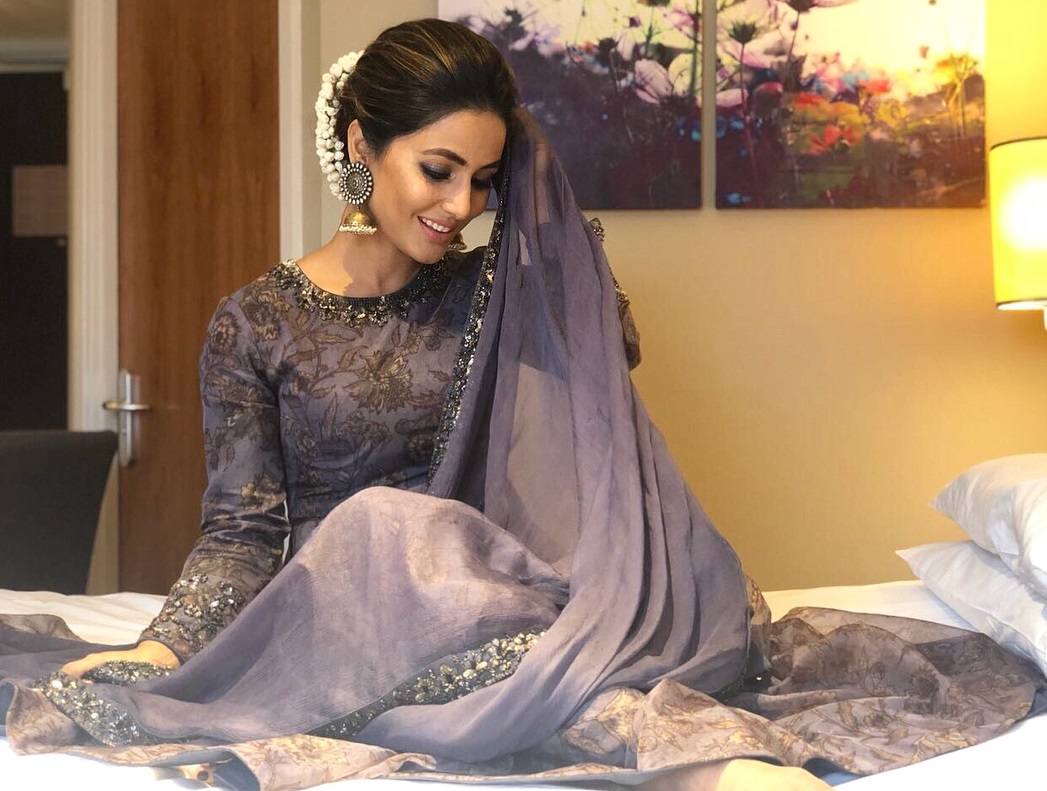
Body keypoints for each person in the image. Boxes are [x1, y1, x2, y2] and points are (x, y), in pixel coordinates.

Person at [0, 18, 1041, 791]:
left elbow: (607, 370)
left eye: (485, 180)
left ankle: (684, 749)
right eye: (436, 170)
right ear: (361, 145)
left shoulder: (494, 289)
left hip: (501, 591)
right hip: (346, 605)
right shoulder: (254, 322)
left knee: (658, 589)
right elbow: (240, 531)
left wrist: (538, 211)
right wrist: (167, 646)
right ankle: (690, 759)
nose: (458, 207)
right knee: (382, 523)